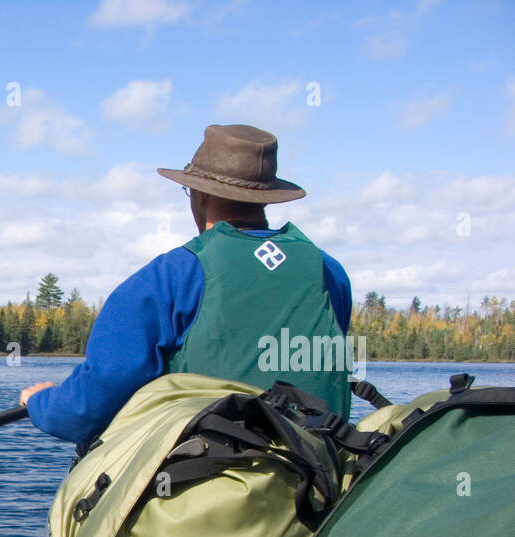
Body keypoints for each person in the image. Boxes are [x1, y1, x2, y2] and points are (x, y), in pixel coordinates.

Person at [20, 124, 353, 448]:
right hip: (319, 478)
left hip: (207, 485)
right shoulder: (329, 272)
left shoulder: (168, 276)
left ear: (200, 195)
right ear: (266, 197)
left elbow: (84, 411)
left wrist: (42, 402)